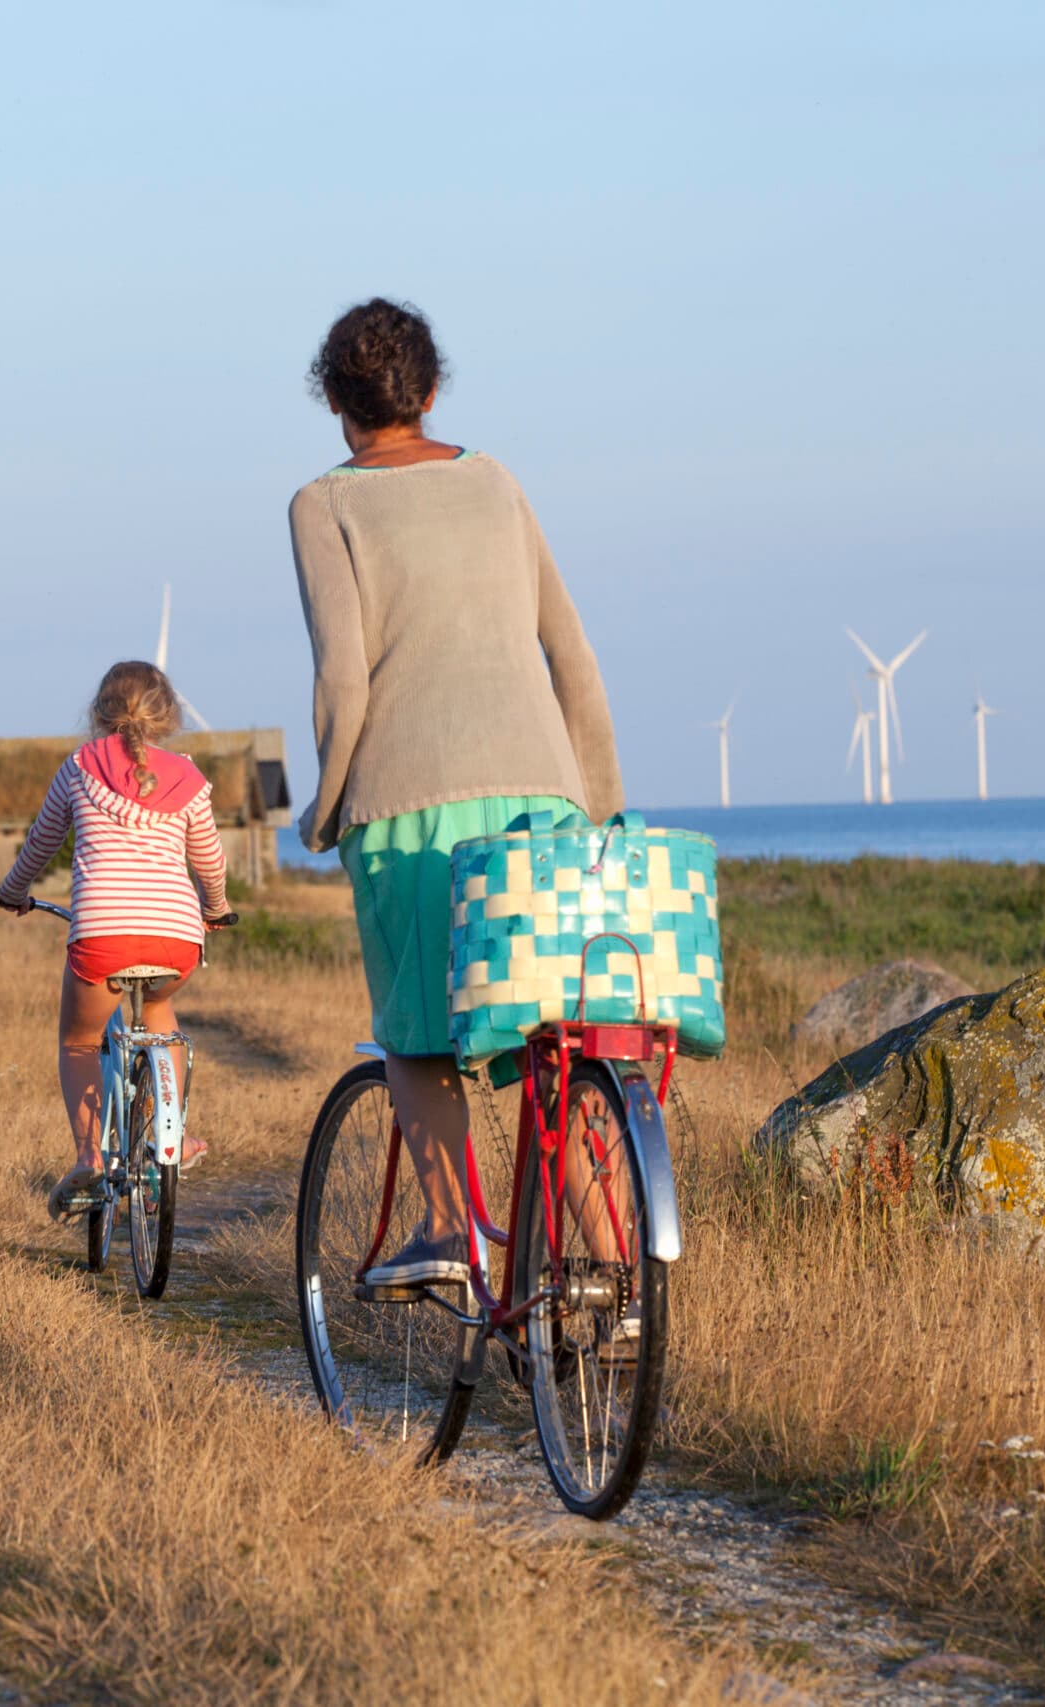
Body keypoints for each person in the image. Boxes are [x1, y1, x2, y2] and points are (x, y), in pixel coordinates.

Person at [287, 298, 625, 1291]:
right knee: (544, 1041)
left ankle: (451, 1230)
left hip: (406, 804)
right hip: (542, 796)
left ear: (336, 404)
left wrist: (325, 804)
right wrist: (597, 804)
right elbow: (570, 653)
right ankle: (607, 1266)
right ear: (431, 392)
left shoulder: (323, 504)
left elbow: (343, 679)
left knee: (420, 1041)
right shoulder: (496, 481)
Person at [0, 662, 232, 1218]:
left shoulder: (79, 767)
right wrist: (216, 909)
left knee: (80, 1042)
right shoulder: (190, 778)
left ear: (99, 713)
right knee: (161, 1015)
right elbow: (210, 863)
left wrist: (13, 890)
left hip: (103, 937)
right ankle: (174, 1134)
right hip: (176, 939)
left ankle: (89, 1159)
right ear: (168, 716)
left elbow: (41, 843)